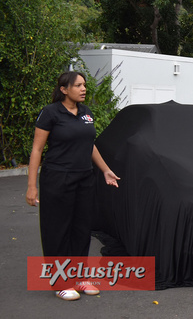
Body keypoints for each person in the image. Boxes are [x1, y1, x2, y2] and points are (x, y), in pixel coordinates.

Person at [25, 71, 120, 301]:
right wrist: (31, 186)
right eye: (78, 85)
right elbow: (37, 150)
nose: (83, 89)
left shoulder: (86, 113)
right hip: (57, 179)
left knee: (81, 230)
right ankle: (60, 281)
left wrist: (105, 169)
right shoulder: (50, 113)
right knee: (58, 230)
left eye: (84, 85)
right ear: (64, 89)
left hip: (84, 179)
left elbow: (90, 144)